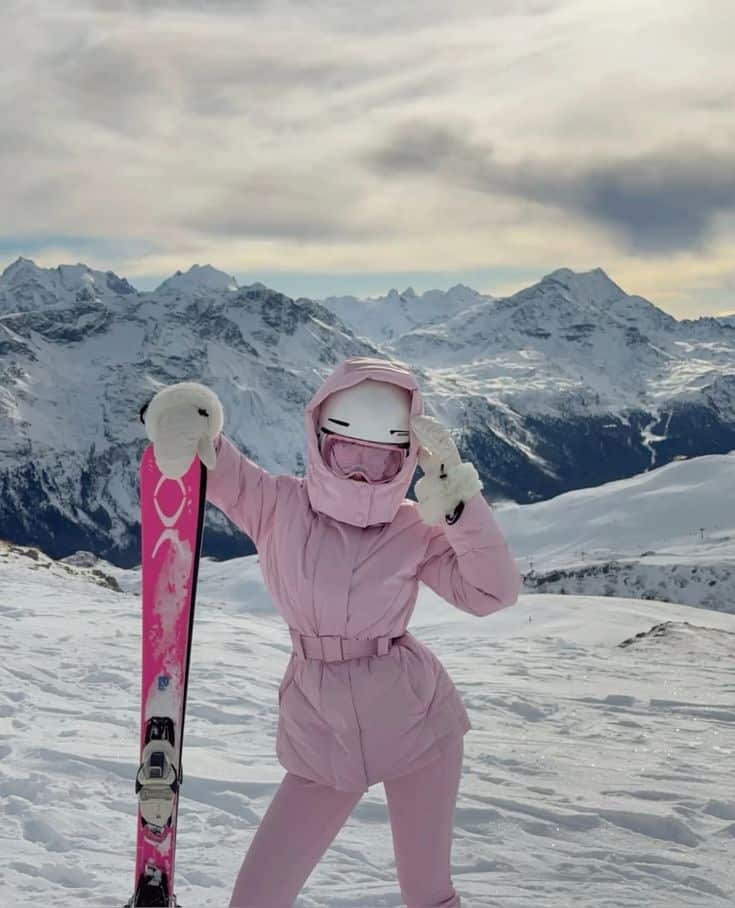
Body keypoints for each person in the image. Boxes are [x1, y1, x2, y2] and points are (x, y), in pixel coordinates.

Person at [142, 355, 523, 908]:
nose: (364, 474)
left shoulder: (414, 526)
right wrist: (187, 423)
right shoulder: (279, 505)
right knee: (258, 896)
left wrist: (459, 502)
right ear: (320, 440)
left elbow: (493, 592)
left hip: (416, 722)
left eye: (385, 459)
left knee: (429, 896)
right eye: (348, 451)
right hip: (321, 728)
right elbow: (217, 463)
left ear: (408, 460)